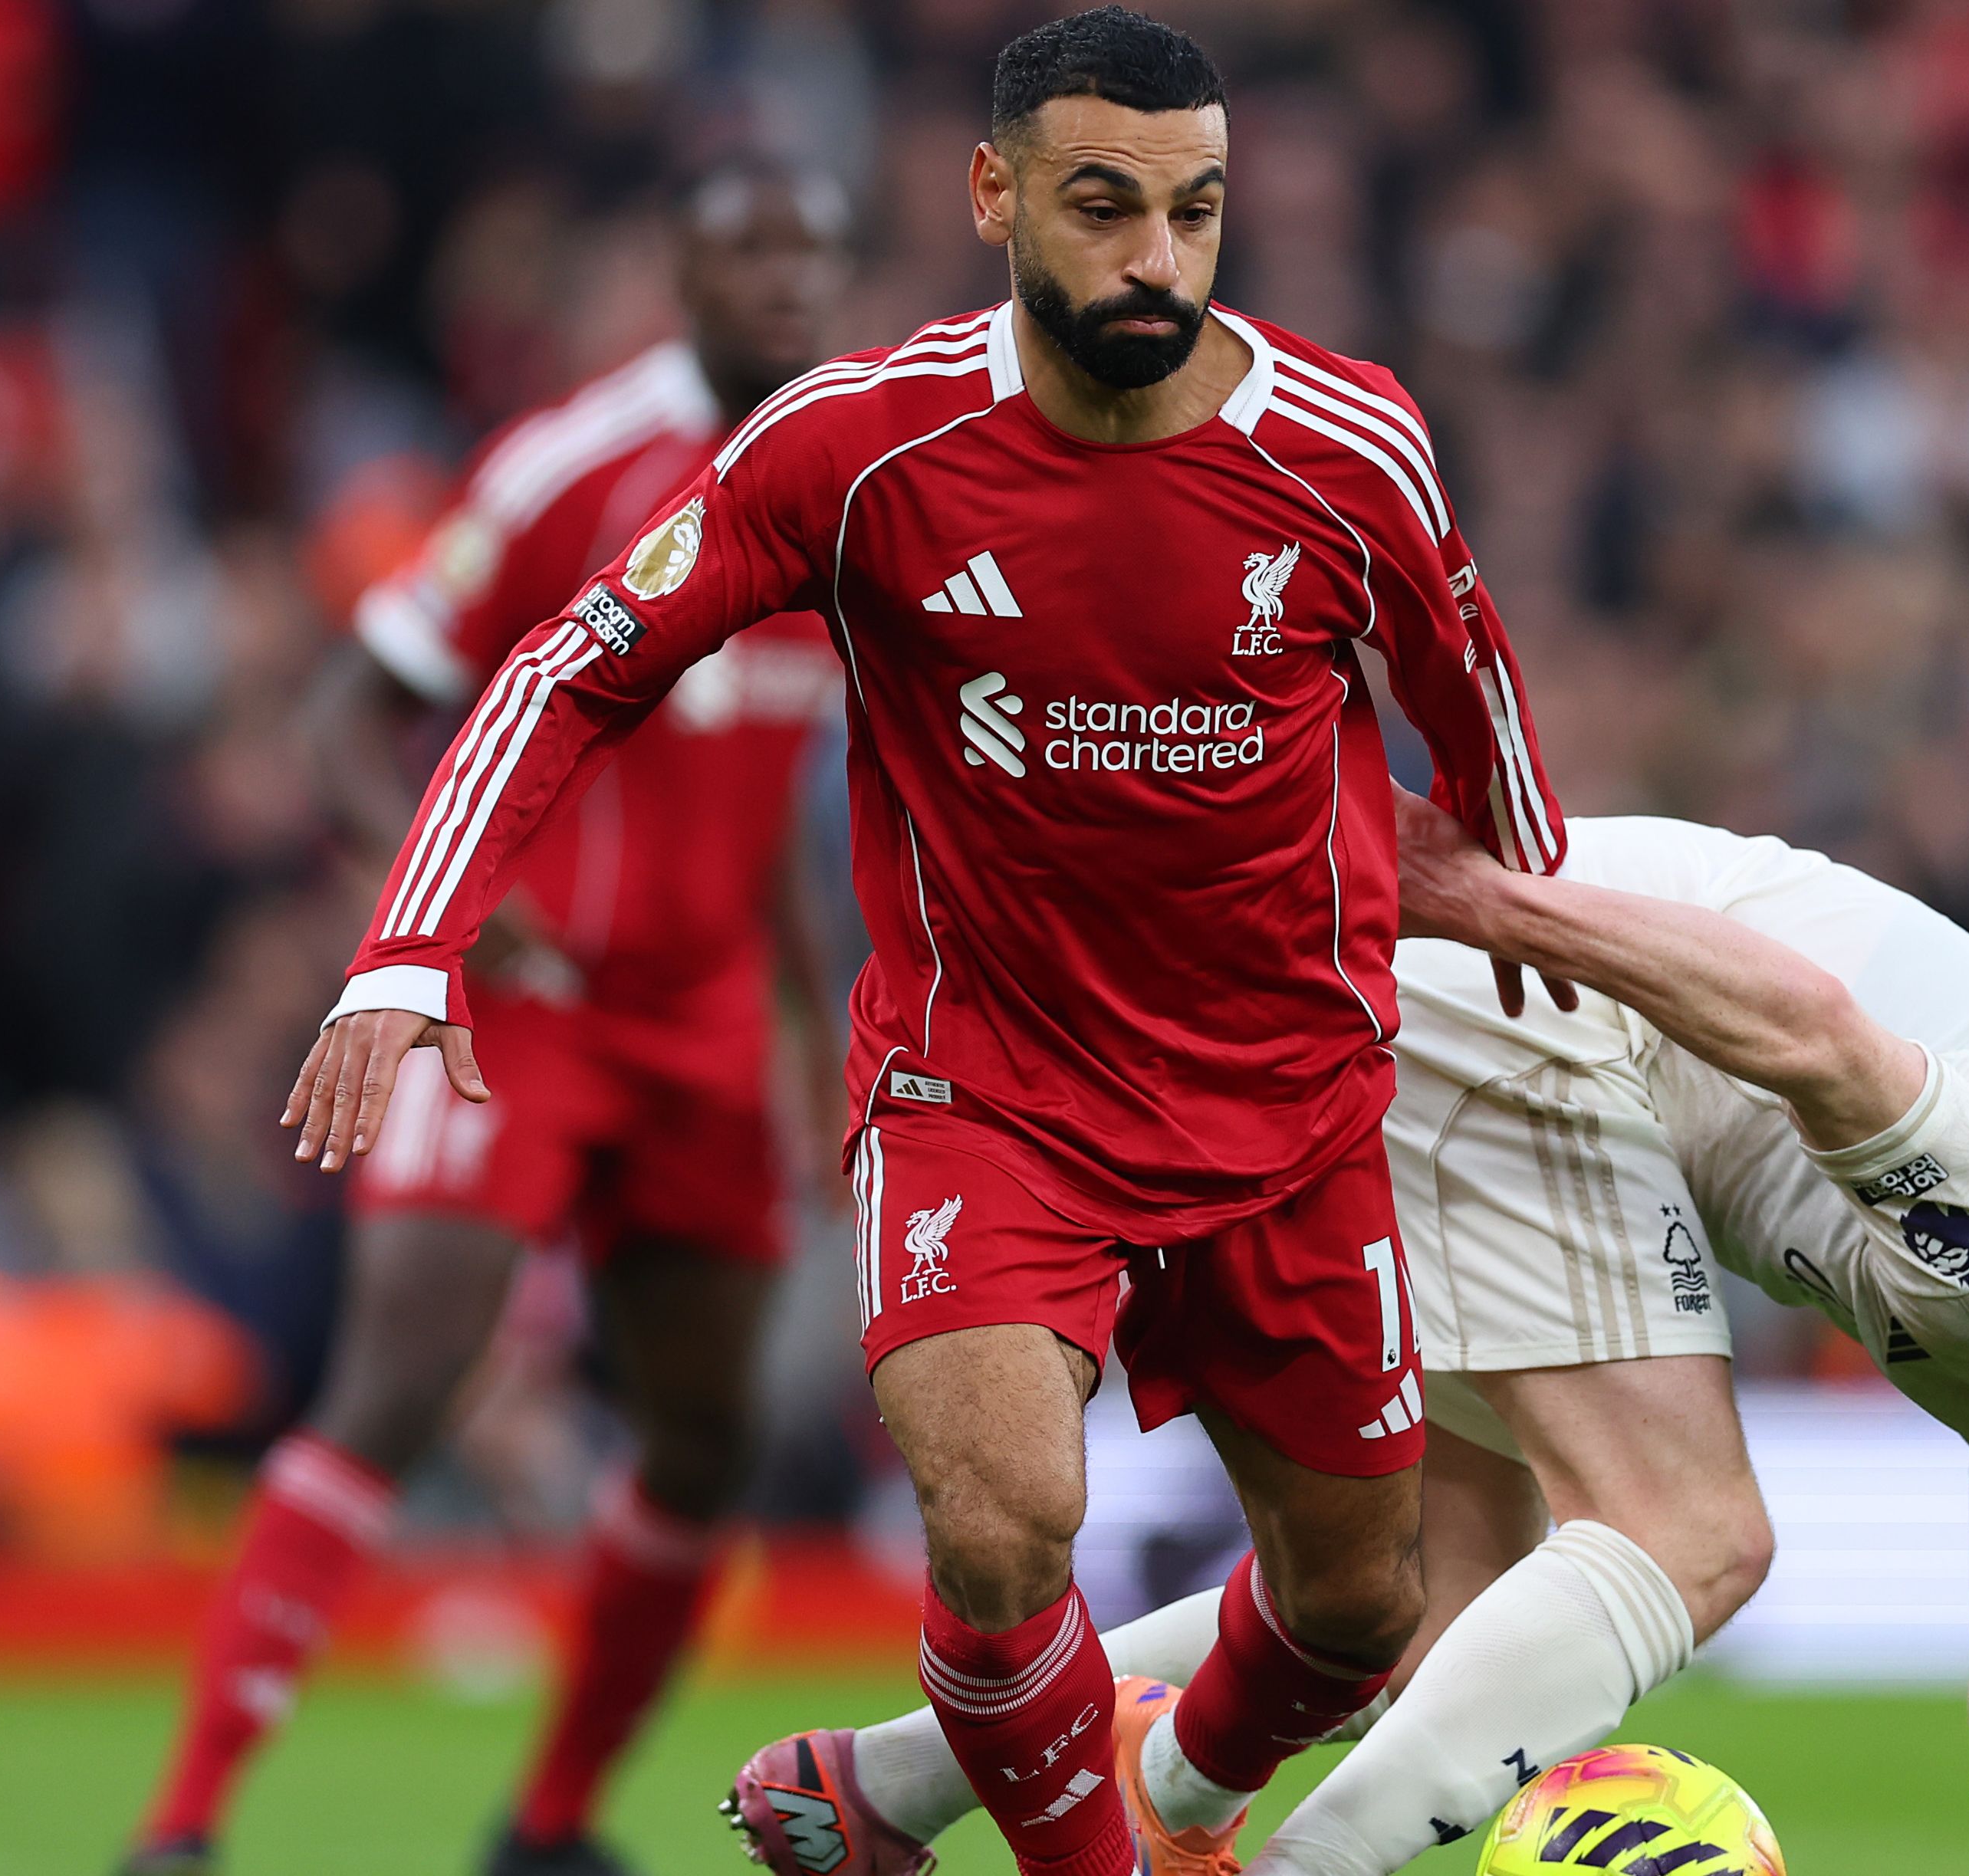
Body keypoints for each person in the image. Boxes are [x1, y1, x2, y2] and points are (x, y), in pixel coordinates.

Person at [280, 15, 1567, 1876]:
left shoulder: (1350, 443)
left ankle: (999, 1800)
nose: (1155, 260)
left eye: (1195, 213)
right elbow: (574, 663)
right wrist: (411, 947)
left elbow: (1473, 681)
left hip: (1290, 1110)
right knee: (998, 1525)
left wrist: (1531, 879)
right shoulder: (862, 446)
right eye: (1103, 204)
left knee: (1364, 1608)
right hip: (992, 1097)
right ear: (993, 194)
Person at [757, 794, 1969, 1876]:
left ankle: (887, 1793)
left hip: (1540, 1048)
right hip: (1534, 996)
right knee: (1692, 1537)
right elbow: (1811, 1028)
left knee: (1419, 1619)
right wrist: (1478, 899)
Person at [121, 161, 855, 1876]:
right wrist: (438, 912)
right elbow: (349, 709)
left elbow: (758, 816)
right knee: (391, 1383)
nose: (788, 276)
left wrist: (814, 1038)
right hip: (520, 1020)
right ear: (678, 263)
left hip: (701, 1024)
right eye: (752, 243)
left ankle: (549, 1825)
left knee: (704, 1436)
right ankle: (181, 1826)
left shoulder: (847, 491)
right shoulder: (568, 467)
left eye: (811, 247)